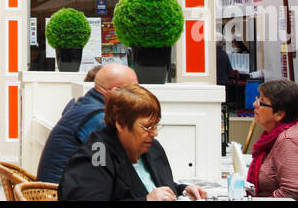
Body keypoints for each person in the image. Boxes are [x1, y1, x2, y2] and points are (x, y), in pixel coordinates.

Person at [59, 85, 209, 201]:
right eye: (147, 127)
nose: (154, 133)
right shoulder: (97, 154)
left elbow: (150, 185)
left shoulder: (151, 148)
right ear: (121, 124)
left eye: (156, 125)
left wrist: (183, 190)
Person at [36, 62, 138, 183]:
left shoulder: (86, 105)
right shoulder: (99, 119)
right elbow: (106, 169)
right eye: (135, 90)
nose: (139, 96)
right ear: (116, 91)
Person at [248, 79, 298, 199]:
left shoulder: (288, 141)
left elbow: (291, 193)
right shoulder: (278, 135)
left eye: (261, 102)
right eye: (258, 98)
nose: (255, 104)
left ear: (279, 114)